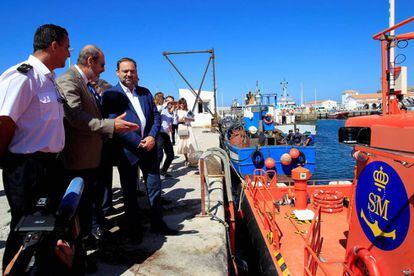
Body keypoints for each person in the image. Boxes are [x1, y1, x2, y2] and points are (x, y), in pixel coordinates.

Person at [0, 24, 70, 273]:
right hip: (27, 168)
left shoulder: (48, 80)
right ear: (54, 46)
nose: (69, 52)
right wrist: (9, 164)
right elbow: (4, 122)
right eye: (66, 46)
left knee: (46, 230)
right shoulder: (23, 76)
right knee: (25, 232)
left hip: (50, 166)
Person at [56, 45, 138, 245]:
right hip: (79, 158)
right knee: (80, 207)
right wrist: (111, 125)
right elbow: (75, 117)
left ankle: (92, 234)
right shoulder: (69, 80)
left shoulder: (87, 83)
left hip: (92, 157)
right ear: (91, 61)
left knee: (91, 202)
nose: (103, 69)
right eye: (102, 64)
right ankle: (82, 245)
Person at [101, 57, 177, 237]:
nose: (129, 74)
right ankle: (134, 228)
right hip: (128, 152)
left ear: (136, 72)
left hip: (149, 149)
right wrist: (137, 142)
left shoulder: (145, 93)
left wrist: (151, 136)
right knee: (129, 192)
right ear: (117, 72)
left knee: (154, 188)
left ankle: (158, 223)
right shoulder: (110, 94)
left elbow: (156, 117)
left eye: (132, 71)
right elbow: (114, 123)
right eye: (125, 71)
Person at [176, 98, 198, 165]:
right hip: (182, 127)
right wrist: (183, 119)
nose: (182, 105)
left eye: (183, 103)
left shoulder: (188, 111)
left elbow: (193, 119)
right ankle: (186, 159)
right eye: (180, 103)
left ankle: (192, 159)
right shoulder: (177, 111)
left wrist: (189, 119)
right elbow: (176, 120)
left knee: (191, 142)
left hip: (188, 127)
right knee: (183, 144)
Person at [158, 96, 176, 177]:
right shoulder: (160, 108)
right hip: (159, 134)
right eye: (169, 101)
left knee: (171, 155)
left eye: (172, 102)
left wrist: (172, 112)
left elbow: (175, 122)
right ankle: (152, 173)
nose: (170, 103)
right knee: (159, 155)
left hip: (166, 134)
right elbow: (156, 111)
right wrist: (164, 105)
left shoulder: (170, 111)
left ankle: (163, 171)